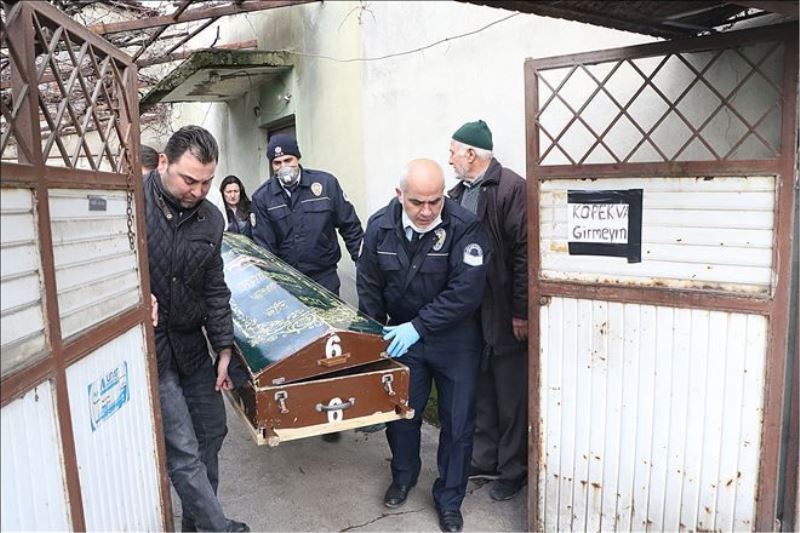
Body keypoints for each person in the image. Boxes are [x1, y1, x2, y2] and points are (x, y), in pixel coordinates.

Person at [357, 159, 489, 532]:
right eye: (417, 202)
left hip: (455, 339)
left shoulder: (465, 227)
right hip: (402, 337)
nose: (428, 211)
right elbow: (369, 284)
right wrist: (375, 337)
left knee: (458, 423)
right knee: (401, 415)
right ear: (400, 195)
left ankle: (449, 499)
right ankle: (403, 477)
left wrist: (418, 327)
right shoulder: (380, 227)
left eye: (436, 201)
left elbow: (465, 292)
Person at [144, 125, 249, 533]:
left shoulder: (211, 219)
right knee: (183, 450)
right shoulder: (131, 205)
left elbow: (214, 286)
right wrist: (135, 294)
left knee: (212, 430)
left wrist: (223, 346)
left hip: (191, 347)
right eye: (189, 180)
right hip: (153, 349)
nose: (198, 191)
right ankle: (217, 527)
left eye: (207, 182)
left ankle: (198, 523)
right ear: (163, 163)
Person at [447, 120, 528, 502]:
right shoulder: (455, 194)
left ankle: (513, 471)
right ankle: (484, 460)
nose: (450, 159)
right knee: (481, 390)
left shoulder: (511, 188)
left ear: (471, 154)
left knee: (511, 395)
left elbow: (525, 254)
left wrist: (520, 312)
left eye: (453, 152)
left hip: (504, 312)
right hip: (470, 314)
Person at [251, 134, 363, 296]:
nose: (283, 166)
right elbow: (265, 248)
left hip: (324, 277)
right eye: (277, 163)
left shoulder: (326, 184)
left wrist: (363, 263)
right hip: (288, 283)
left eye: (288, 160)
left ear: (297, 158)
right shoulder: (262, 198)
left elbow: (350, 226)